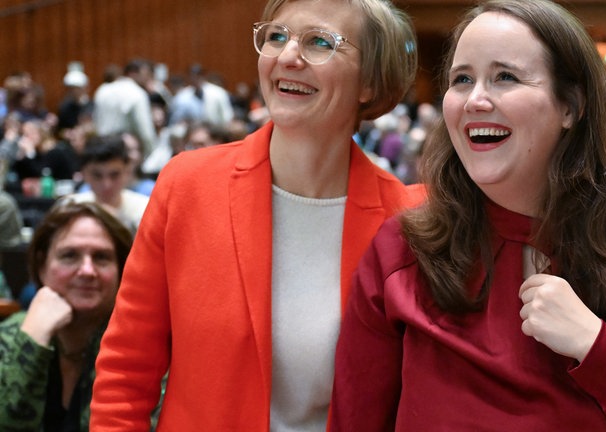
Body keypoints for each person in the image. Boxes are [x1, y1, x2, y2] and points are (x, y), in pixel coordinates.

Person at [330, 1, 606, 431]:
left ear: (571, 107)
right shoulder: (402, 247)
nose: (475, 99)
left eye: (505, 77)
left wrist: (599, 350)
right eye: (462, 79)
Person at [89, 0, 420, 429]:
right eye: (276, 36)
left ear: (370, 82)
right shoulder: (187, 186)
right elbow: (125, 373)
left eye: (320, 42)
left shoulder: (408, 221)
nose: (286, 57)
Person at [0, 202, 133, 430]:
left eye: (101, 257)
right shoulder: (8, 336)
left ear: (122, 269)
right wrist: (32, 340)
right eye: (69, 255)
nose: (87, 271)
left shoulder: (138, 348)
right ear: (42, 266)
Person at [62, 134, 150, 235]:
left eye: (114, 175)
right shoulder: (68, 209)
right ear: (84, 174)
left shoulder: (145, 211)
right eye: (97, 175)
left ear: (127, 171)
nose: (106, 184)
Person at [92, 58, 158, 160]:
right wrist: (152, 154)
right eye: (147, 75)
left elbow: (96, 122)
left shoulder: (103, 89)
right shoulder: (137, 93)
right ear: (133, 73)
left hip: (101, 150)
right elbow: (146, 132)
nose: (149, 79)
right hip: (124, 153)